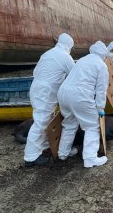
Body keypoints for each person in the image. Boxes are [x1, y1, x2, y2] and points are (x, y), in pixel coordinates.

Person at [24, 33, 76, 167]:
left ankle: (45, 146)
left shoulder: (47, 54)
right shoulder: (66, 57)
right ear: (69, 46)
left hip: (36, 88)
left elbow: (37, 72)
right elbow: (75, 75)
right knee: (41, 122)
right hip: (45, 92)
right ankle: (30, 158)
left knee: (47, 120)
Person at [57, 41, 109, 168]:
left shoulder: (82, 60)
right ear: (104, 54)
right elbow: (101, 89)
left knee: (69, 123)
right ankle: (90, 158)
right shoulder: (101, 65)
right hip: (80, 96)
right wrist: (100, 107)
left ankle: (63, 153)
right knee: (92, 125)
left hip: (63, 93)